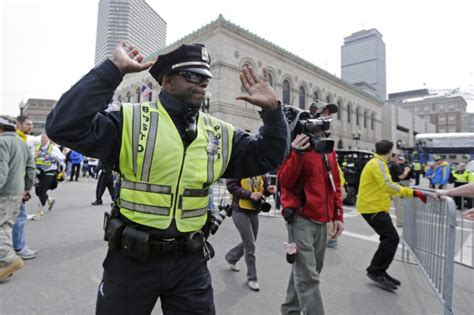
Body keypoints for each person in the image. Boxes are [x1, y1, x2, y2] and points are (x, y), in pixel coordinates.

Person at [45, 42, 289, 314]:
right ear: (168, 82)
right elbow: (62, 125)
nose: (203, 83)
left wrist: (272, 113)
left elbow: (268, 156)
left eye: (206, 77)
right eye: (193, 76)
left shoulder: (220, 133)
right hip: (131, 261)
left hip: (190, 263)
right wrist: (111, 71)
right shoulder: (129, 120)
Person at [278, 100, 344, 315]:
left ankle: (289, 310)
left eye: (328, 115)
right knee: (308, 277)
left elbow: (335, 183)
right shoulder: (295, 143)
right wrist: (296, 152)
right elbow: (285, 181)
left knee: (308, 271)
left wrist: (338, 215)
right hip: (300, 220)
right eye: (323, 113)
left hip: (323, 221)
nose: (326, 119)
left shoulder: (327, 147)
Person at [357, 140, 427, 291]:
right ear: (389, 152)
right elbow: (388, 185)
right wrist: (412, 192)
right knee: (391, 238)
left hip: (375, 207)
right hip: (372, 208)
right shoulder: (378, 163)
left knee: (388, 238)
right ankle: (376, 270)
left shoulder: (377, 162)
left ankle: (379, 270)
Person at [224, 175, 276, 291]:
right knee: (250, 244)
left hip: (253, 211)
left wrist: (269, 189)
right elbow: (231, 186)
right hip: (239, 211)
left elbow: (265, 188)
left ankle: (231, 257)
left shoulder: (261, 171)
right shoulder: (239, 166)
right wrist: (249, 194)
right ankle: (252, 278)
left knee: (251, 242)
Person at [0, 117, 36, 282]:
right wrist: (27, 187)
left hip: (5, 191)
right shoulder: (22, 144)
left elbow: (1, 171)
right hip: (17, 190)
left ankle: (9, 260)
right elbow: (31, 168)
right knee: (6, 224)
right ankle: (4, 264)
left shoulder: (2, 142)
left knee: (1, 226)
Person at [13, 115, 39, 259]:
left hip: (16, 183)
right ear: (19, 124)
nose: (31, 127)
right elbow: (28, 167)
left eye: (32, 124)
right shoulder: (18, 140)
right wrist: (27, 187)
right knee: (20, 216)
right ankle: (19, 247)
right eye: (28, 124)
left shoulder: (24, 139)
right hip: (16, 185)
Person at [33, 134, 65, 220]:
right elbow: (29, 158)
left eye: (44, 137)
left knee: (41, 190)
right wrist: (34, 155)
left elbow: (62, 158)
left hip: (50, 172)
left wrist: (53, 155)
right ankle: (50, 200)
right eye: (41, 137)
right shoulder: (36, 147)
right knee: (37, 192)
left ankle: (40, 211)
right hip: (38, 173)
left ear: (49, 139)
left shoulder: (53, 148)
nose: (42, 139)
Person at [389, 154, 412, 227]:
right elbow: (401, 176)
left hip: (387, 185)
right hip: (395, 185)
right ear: (392, 157)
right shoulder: (395, 165)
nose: (398, 159)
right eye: (397, 158)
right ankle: (400, 223)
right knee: (399, 205)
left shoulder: (387, 164)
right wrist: (406, 171)